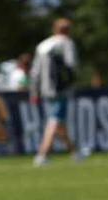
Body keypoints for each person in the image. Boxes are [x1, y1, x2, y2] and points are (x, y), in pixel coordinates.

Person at [30, 18, 87, 166]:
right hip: (60, 89)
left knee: (59, 121)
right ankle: (43, 154)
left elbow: (35, 72)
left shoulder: (43, 45)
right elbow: (72, 66)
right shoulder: (66, 43)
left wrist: (34, 92)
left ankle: (75, 153)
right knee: (55, 120)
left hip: (45, 89)